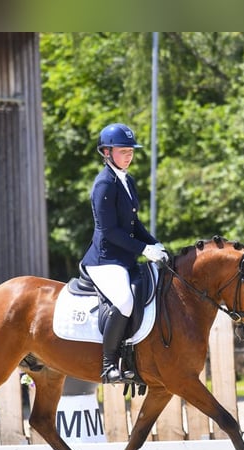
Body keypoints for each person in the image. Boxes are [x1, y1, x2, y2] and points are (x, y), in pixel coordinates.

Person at [79, 123, 169, 385]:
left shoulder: (127, 180)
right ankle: (108, 364)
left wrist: (155, 243)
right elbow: (109, 231)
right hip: (105, 260)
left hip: (124, 258)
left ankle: (132, 358)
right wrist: (143, 249)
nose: (128, 155)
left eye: (130, 150)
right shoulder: (104, 184)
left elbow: (134, 225)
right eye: (122, 151)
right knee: (125, 301)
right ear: (106, 152)